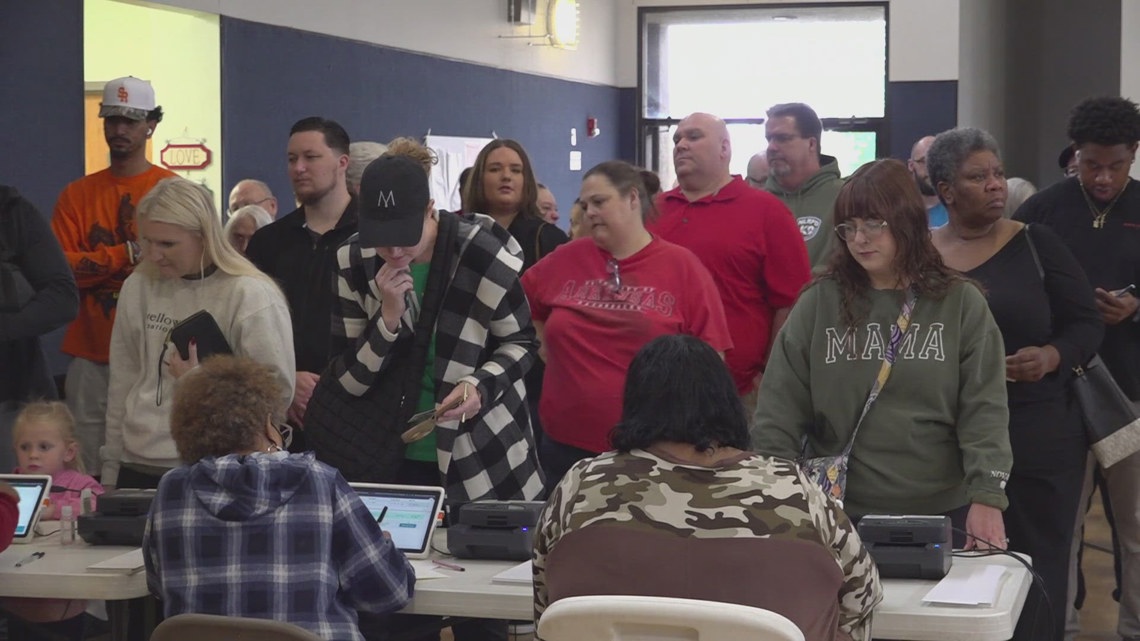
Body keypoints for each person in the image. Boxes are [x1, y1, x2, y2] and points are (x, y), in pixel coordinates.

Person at [534, 334, 882, 641]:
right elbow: (862, 596)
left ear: (634, 404)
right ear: (726, 402)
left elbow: (547, 609)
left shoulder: (582, 484)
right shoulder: (793, 488)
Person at [753, 158, 1012, 549]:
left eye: (874, 224)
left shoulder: (961, 303)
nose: (860, 239)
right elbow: (778, 411)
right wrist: (776, 497)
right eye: (849, 227)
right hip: (837, 510)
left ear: (906, 221)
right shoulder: (818, 303)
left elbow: (985, 409)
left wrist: (987, 496)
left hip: (942, 510)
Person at [930, 127, 1102, 641]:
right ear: (945, 190)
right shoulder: (923, 256)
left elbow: (1087, 324)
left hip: (1038, 429)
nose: (994, 185)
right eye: (977, 176)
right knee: (964, 563)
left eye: (998, 174)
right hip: (951, 435)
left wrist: (1050, 356)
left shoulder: (1035, 243)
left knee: (1037, 560)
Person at [143, 355, 414, 641]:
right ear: (267, 425)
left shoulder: (172, 490)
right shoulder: (319, 481)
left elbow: (158, 584)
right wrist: (383, 543)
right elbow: (389, 593)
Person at [522, 160, 732, 488]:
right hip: (565, 450)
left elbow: (710, 359)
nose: (589, 211)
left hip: (653, 451)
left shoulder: (682, 266)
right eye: (584, 204)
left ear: (633, 199)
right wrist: (549, 349)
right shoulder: (565, 259)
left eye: (599, 202)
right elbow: (522, 305)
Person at [1015, 96, 1140, 641]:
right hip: (1059, 393)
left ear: (1133, 155)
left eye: (1116, 164)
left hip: (1132, 393)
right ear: (1075, 156)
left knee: (1135, 527)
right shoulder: (1041, 210)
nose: (1104, 177)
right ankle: (1054, 629)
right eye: (1092, 164)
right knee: (1056, 526)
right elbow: (1013, 288)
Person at [102, 177, 294, 489]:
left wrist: (201, 383)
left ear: (204, 236)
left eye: (167, 244)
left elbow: (275, 396)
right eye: (147, 242)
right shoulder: (138, 285)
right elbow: (121, 385)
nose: (154, 255)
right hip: (136, 461)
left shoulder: (250, 294)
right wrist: (110, 472)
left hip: (219, 464)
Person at [51, 76, 177, 475]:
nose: (120, 129)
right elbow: (62, 271)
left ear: (150, 125)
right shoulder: (76, 195)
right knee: (85, 460)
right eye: (112, 120)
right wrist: (125, 254)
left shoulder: (171, 191)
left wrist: (99, 263)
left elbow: (177, 269)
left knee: (156, 455)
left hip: (156, 350)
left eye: (130, 120)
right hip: (90, 352)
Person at [649, 112, 811, 415]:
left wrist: (768, 374)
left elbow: (791, 303)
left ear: (725, 148)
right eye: (677, 139)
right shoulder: (653, 212)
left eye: (694, 137)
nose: (681, 145)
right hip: (655, 388)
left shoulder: (767, 212)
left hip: (737, 392)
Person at [246, 117, 356, 435]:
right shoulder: (270, 242)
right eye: (292, 159)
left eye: (311, 157)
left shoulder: (372, 239)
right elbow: (251, 323)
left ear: (342, 162)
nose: (299, 168)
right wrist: (287, 377)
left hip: (355, 407)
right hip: (283, 411)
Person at [3, 401, 106, 640]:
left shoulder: (79, 485)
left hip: (61, 602)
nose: (33, 455)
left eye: (44, 447)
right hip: (15, 597)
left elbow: (98, 505)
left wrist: (55, 510)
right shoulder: (9, 486)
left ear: (68, 451)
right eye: (24, 447)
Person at [1, 186, 78, 472]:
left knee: (19, 506)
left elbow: (62, 297)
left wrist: (6, 327)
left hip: (12, 394)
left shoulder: (10, 212)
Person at [463, 139, 568, 271]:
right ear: (480, 179)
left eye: (516, 170)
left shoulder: (550, 238)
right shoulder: (461, 235)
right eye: (495, 169)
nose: (506, 176)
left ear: (526, 180)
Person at [764, 102, 843, 267]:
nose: (771, 147)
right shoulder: (758, 203)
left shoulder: (846, 197)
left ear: (811, 144)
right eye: (769, 139)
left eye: (783, 138)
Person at [908, 135, 949, 227]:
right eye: (923, 161)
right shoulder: (896, 209)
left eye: (937, 161)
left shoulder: (958, 210)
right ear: (911, 165)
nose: (931, 168)